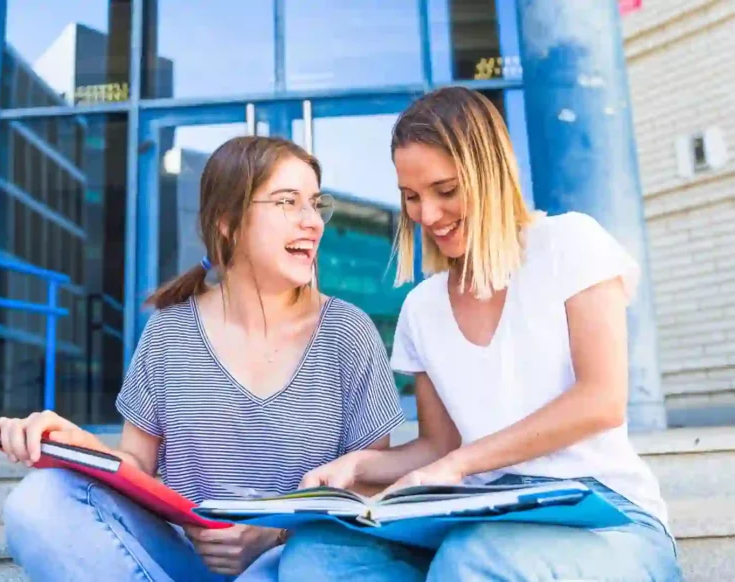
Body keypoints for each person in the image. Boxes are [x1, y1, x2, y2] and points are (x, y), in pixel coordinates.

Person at [278, 87, 683, 581]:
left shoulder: (570, 243)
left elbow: (601, 400)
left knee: (475, 558)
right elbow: (438, 445)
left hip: (608, 520)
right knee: (317, 556)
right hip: (483, 515)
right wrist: (360, 467)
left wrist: (461, 465)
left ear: (489, 171)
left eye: (445, 191)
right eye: (411, 197)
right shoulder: (421, 308)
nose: (427, 215)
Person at [0, 135, 406, 581]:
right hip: (182, 560)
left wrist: (275, 533)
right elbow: (137, 467)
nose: (313, 223)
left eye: (315, 204)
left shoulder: (347, 332)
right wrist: (75, 444)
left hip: (293, 563)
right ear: (228, 222)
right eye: (288, 202)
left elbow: (364, 485)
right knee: (38, 502)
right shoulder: (169, 332)